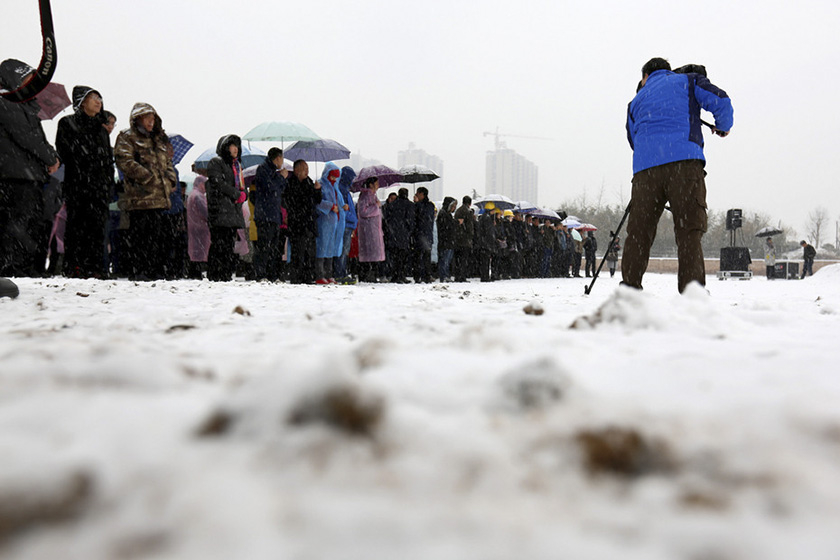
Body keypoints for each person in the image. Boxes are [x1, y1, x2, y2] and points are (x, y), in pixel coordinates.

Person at [623, 57, 734, 293]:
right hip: (684, 166)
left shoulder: (635, 102)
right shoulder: (688, 81)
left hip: (645, 172)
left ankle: (629, 290)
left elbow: (633, 139)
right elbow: (722, 102)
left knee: (638, 234)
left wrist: (653, 153)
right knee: (688, 232)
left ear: (645, 77)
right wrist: (722, 126)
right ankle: (691, 293)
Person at [0, 59, 61, 277]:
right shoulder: (7, 101)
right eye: (28, 79)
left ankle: (21, 267)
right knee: (18, 224)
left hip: (24, 174)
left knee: (25, 223)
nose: (33, 83)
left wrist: (50, 155)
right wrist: (50, 158)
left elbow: (35, 138)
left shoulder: (23, 104)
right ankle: (14, 269)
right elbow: (27, 137)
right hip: (15, 175)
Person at [56, 86, 115, 279]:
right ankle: (75, 266)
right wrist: (87, 163)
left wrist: (107, 184)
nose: (98, 101)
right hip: (78, 185)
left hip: (99, 189)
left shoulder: (102, 131)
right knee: (77, 227)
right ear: (81, 102)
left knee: (97, 229)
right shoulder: (67, 123)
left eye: (99, 97)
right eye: (92, 98)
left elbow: (108, 160)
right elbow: (66, 151)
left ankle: (95, 267)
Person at [114, 103, 177, 281]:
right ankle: (139, 270)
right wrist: (149, 178)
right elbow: (125, 161)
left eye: (153, 118)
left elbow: (168, 163)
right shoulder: (127, 137)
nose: (151, 122)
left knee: (157, 236)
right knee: (140, 236)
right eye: (147, 118)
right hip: (139, 198)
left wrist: (170, 180)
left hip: (160, 199)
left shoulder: (158, 140)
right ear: (137, 119)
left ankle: (155, 270)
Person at [205, 134, 247, 282]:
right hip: (220, 212)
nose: (235, 149)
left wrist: (243, 194)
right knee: (219, 244)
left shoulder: (237, 165)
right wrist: (236, 194)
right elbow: (218, 183)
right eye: (232, 145)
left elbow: (242, 186)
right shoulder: (216, 162)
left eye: (237, 146)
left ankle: (225, 273)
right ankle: (215, 274)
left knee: (229, 245)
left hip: (232, 213)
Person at [283, 160, 322, 284]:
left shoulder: (309, 182)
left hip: (309, 224)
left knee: (310, 252)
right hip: (297, 224)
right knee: (298, 252)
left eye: (307, 168)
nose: (307, 171)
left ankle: (308, 276)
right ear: (296, 170)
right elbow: (292, 200)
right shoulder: (290, 183)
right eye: (304, 168)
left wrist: (317, 190)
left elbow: (317, 201)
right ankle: (297, 277)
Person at [253, 147, 288, 282]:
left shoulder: (274, 171)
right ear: (277, 158)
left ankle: (272, 275)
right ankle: (260, 274)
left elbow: (280, 190)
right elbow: (270, 188)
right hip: (265, 215)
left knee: (273, 248)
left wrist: (281, 178)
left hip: (274, 215)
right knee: (264, 246)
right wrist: (281, 177)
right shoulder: (263, 169)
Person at [314, 162, 344, 284]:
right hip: (324, 221)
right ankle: (320, 275)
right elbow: (317, 202)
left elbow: (339, 202)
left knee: (330, 249)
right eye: (332, 176)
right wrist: (330, 206)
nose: (334, 179)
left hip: (334, 223)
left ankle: (329, 274)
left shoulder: (335, 188)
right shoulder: (321, 185)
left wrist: (342, 206)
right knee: (322, 248)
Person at [356, 176, 385, 281]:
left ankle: (372, 275)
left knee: (373, 254)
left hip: (374, 229)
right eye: (376, 183)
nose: (378, 185)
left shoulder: (373, 196)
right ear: (371, 184)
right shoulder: (365, 196)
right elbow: (363, 211)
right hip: (368, 230)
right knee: (369, 254)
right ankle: (367, 276)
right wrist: (376, 207)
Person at [384, 187, 413, 283]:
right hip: (404, 235)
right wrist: (409, 230)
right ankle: (401, 275)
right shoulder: (409, 205)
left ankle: (395, 275)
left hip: (393, 234)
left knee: (394, 257)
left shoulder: (392, 205)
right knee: (403, 257)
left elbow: (386, 218)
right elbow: (410, 220)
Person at [334, 166, 357, 283]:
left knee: (343, 251)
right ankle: (340, 273)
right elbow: (344, 209)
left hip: (347, 224)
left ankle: (341, 272)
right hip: (345, 224)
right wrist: (353, 219)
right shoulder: (342, 190)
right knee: (342, 251)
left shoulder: (344, 190)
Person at [186, 173, 210, 279]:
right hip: (200, 227)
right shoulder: (198, 196)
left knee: (195, 250)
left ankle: (194, 271)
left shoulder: (192, 194)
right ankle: (196, 272)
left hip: (193, 225)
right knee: (200, 251)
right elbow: (205, 212)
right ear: (200, 184)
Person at [413, 186, 435, 283]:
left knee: (423, 256)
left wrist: (417, 204)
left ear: (422, 194)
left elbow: (422, 216)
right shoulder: (429, 205)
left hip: (422, 233)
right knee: (421, 256)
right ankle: (422, 275)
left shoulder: (429, 205)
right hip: (424, 233)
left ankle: (424, 275)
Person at [452, 195, 474, 282]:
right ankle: (462, 276)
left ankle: (457, 275)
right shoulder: (467, 212)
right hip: (465, 240)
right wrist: (470, 235)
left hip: (457, 239)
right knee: (463, 259)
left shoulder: (458, 211)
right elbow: (469, 227)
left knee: (458, 259)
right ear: (470, 203)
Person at [436, 197, 457, 282]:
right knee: (444, 260)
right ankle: (443, 276)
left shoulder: (447, 214)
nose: (454, 208)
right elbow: (446, 227)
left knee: (447, 260)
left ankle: (446, 275)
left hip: (449, 241)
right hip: (445, 241)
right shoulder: (443, 214)